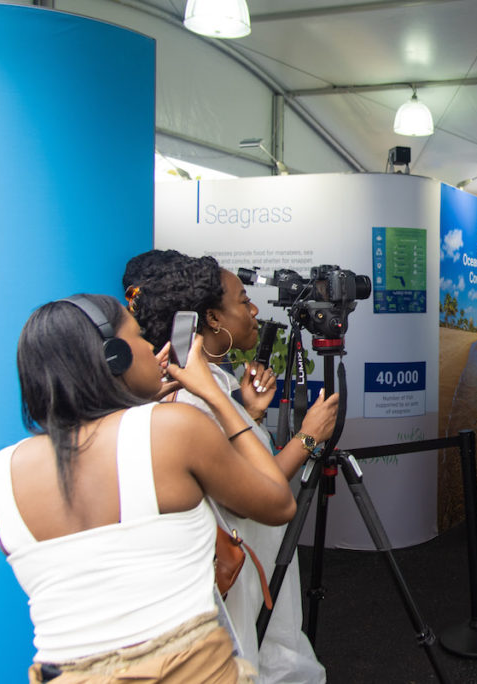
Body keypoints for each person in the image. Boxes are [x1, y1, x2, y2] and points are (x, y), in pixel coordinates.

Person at [0, 294, 297, 682]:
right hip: (188, 670)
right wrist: (215, 396)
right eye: (139, 337)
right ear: (114, 355)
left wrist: (129, 403)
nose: (155, 349)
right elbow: (278, 503)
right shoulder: (171, 428)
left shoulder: (1, 471)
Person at [123, 250, 337, 684]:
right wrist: (308, 438)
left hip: (255, 567)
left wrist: (250, 414)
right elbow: (259, 497)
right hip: (237, 576)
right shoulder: (194, 399)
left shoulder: (217, 385)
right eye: (243, 301)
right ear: (213, 319)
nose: (254, 309)